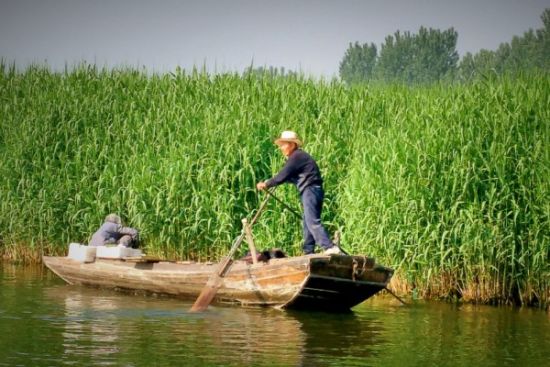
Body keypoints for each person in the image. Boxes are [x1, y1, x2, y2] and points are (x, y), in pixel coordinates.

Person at [256, 130, 342, 255]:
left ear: (291, 144)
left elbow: (283, 175)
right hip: (312, 191)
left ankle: (329, 247)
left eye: (283, 145)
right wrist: (272, 182)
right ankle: (308, 251)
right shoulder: (298, 157)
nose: (281, 148)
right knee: (307, 221)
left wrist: (267, 184)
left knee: (312, 221)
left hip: (310, 190)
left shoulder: (297, 156)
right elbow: (289, 177)